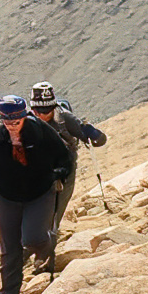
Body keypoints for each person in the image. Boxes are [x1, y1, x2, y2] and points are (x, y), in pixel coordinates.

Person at [0, 94, 71, 294]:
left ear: (24, 116)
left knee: (33, 238)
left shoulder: (41, 131)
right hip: (7, 197)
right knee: (10, 247)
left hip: (39, 193)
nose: (11, 126)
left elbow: (63, 155)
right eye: (7, 122)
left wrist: (60, 172)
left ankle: (48, 244)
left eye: (16, 122)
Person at [31, 81, 108, 251]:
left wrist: (91, 133)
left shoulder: (65, 118)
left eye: (46, 111)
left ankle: (41, 256)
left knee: (53, 216)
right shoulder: (25, 121)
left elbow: (99, 141)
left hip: (64, 172)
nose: (41, 115)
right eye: (37, 111)